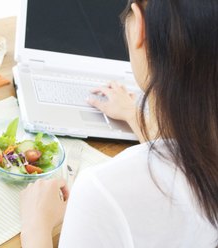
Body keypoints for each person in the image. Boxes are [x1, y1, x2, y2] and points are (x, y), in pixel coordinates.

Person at [19, 0, 218, 247]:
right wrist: (134, 115)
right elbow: (182, 165)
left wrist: (35, 225)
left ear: (139, 29)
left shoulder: (103, 191)